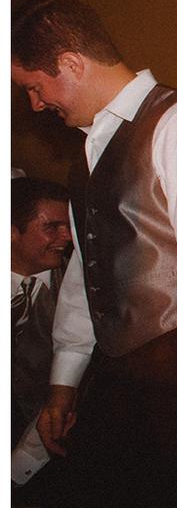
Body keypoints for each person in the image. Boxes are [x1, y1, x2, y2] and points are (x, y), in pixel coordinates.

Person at [11, 0, 177, 508]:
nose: (35, 104)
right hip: (121, 375)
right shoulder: (89, 150)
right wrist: (63, 385)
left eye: (35, 87)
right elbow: (85, 277)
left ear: (71, 64)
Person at [11, 178, 72, 487]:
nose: (68, 237)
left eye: (69, 226)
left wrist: (17, 470)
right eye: (53, 227)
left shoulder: (79, 290)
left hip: (47, 462)